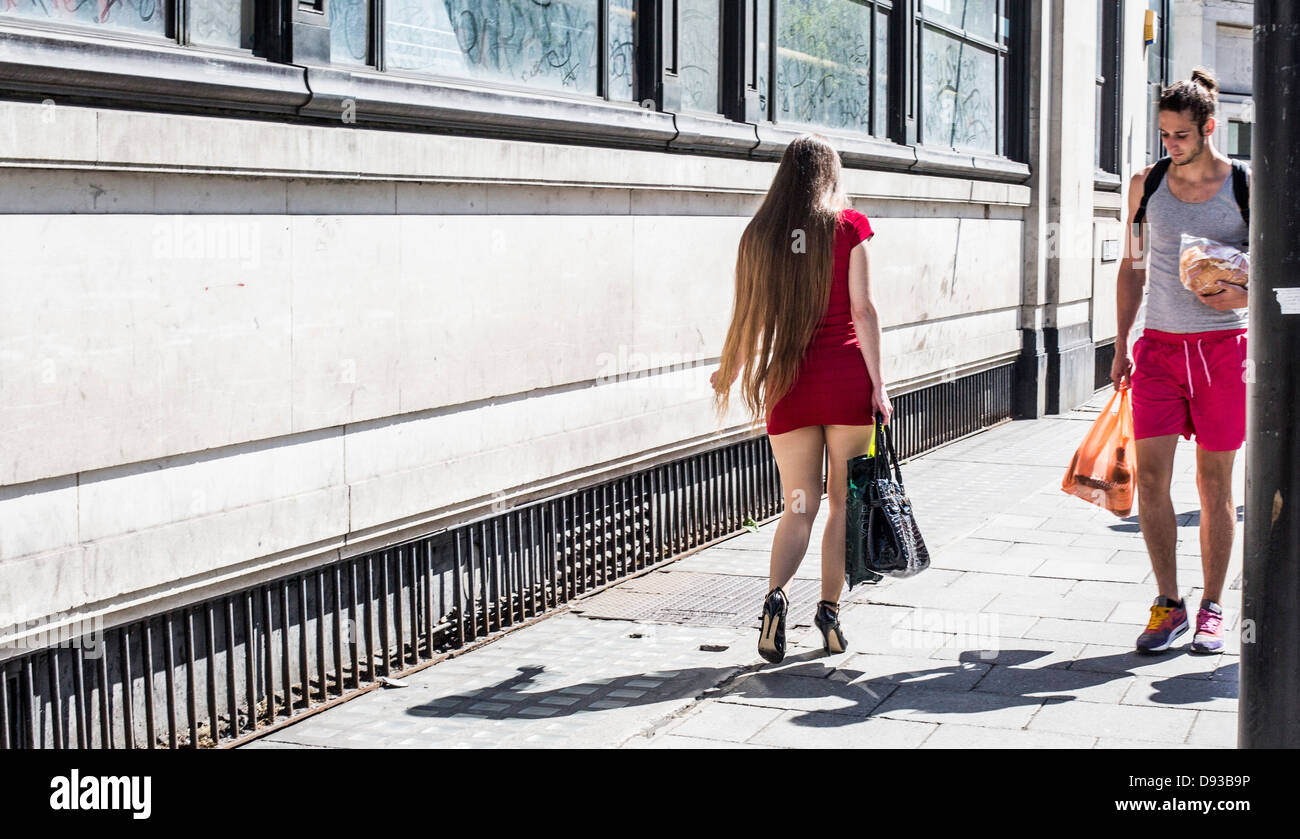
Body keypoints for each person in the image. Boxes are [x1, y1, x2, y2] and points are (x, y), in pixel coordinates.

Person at [709, 134, 893, 664]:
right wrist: (879, 386)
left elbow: (747, 317)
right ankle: (830, 615)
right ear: (830, 176)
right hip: (845, 384)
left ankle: (773, 602)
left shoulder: (761, 234)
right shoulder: (848, 227)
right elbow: (864, 311)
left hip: (788, 388)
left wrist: (731, 370)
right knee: (841, 505)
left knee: (798, 506)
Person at [1111, 67, 1248, 655]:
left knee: (1215, 485)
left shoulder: (1244, 185)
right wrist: (1120, 344)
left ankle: (1214, 606)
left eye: (1181, 135)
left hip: (1224, 351)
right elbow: (1133, 266)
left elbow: (1272, 268)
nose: (1171, 144)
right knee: (1152, 482)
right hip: (1160, 351)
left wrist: (1239, 290)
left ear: (1209, 128)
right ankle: (1169, 603)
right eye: (1164, 134)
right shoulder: (1148, 184)